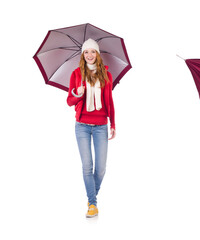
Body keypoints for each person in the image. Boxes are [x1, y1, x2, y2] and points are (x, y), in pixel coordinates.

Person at [67, 38, 116, 218]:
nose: (89, 55)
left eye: (93, 52)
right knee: (87, 166)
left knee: (101, 168)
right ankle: (93, 204)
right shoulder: (76, 74)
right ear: (83, 54)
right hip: (82, 126)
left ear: (98, 54)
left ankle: (91, 196)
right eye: (86, 52)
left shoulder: (106, 75)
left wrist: (113, 123)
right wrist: (77, 94)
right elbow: (69, 101)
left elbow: (109, 101)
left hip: (101, 126)